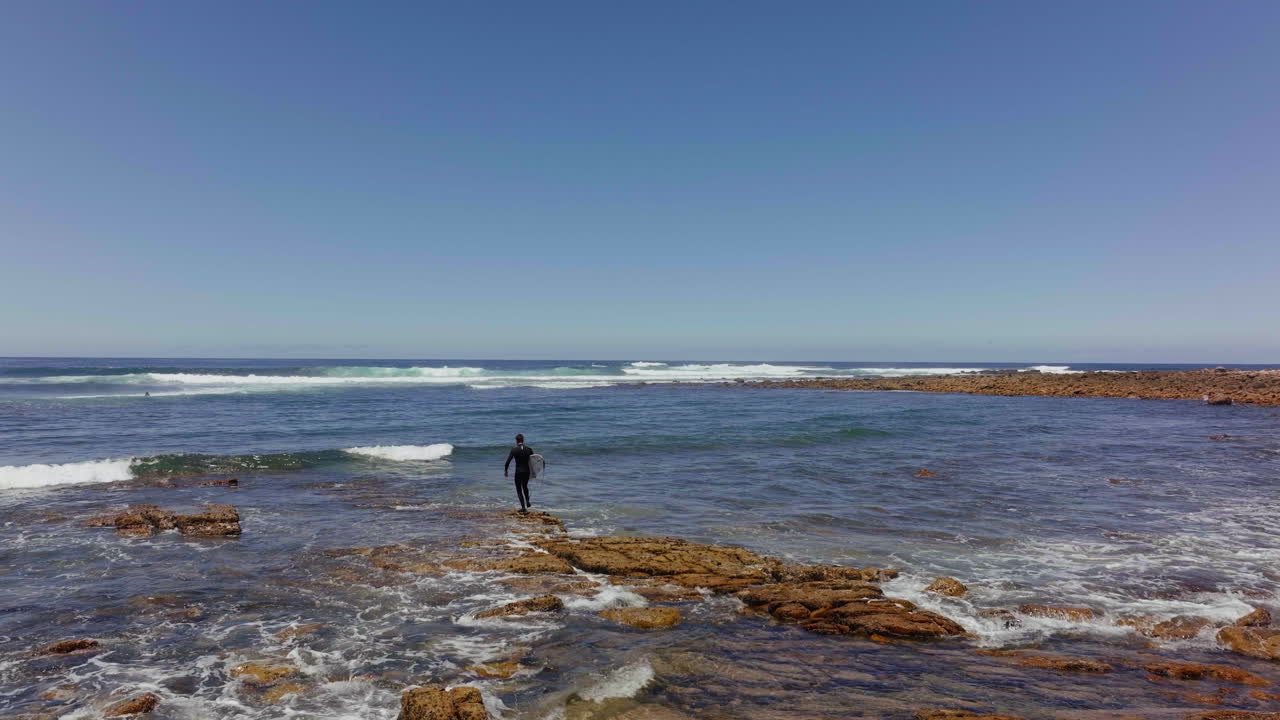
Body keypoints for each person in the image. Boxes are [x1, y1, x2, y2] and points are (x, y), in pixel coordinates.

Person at [504, 433, 535, 511]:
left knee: (519, 489)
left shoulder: (514, 450)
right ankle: (527, 501)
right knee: (525, 486)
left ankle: (523, 507)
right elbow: (534, 460)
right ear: (523, 440)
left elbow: (507, 461)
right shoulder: (529, 449)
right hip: (526, 471)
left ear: (516, 440)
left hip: (518, 472)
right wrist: (534, 472)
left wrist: (506, 470)